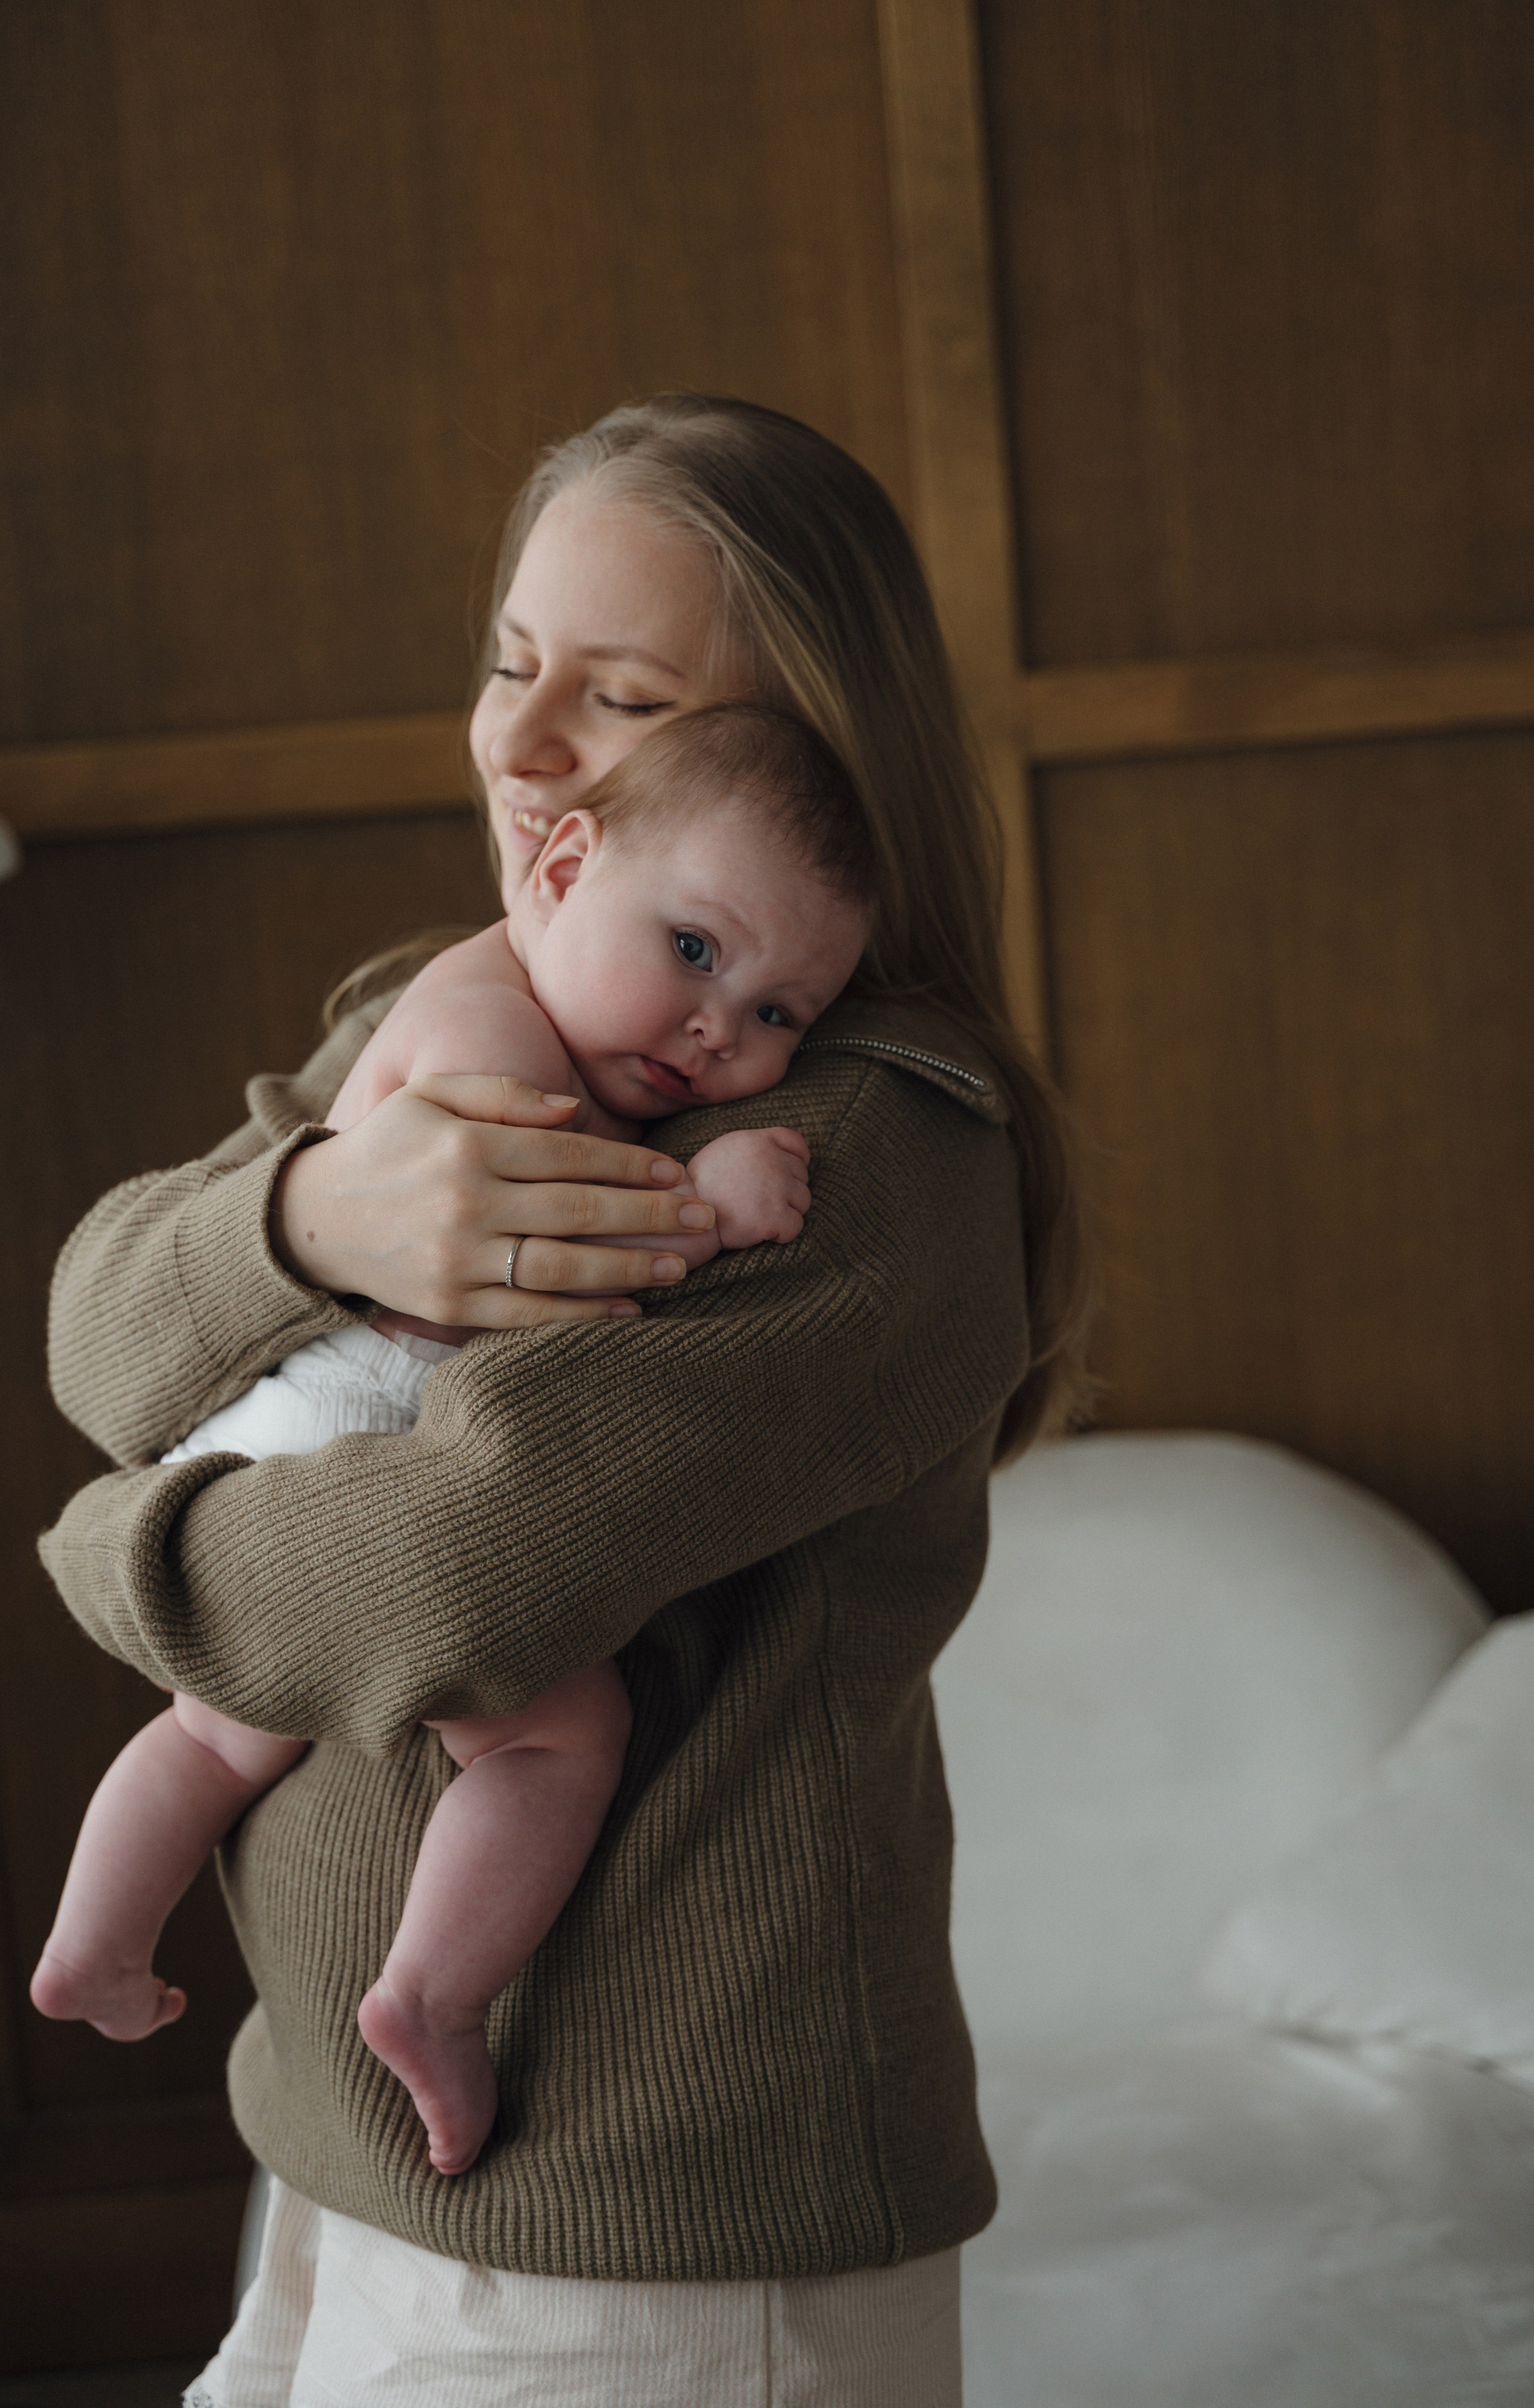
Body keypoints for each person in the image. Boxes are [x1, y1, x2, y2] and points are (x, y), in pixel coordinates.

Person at [38, 395, 1092, 2407]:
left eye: (618, 695)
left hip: (654, 2224)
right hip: (345, 2155)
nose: (519, 746)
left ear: (811, 753)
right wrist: (312, 1212)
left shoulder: (866, 1146)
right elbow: (99, 1333)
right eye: (510, 662)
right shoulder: (451, 1010)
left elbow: (459, 1577)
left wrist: (118, 1550)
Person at [31, 701, 874, 2185]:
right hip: (368, 1402)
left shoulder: (523, 1006)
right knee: (557, 1737)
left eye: (778, 1016)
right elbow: (558, 1233)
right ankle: (433, 1994)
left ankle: (96, 1942)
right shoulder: (491, 1025)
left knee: (212, 1733)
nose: (717, 1028)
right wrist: (713, 1204)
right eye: (693, 949)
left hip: (297, 1412)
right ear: (563, 870)